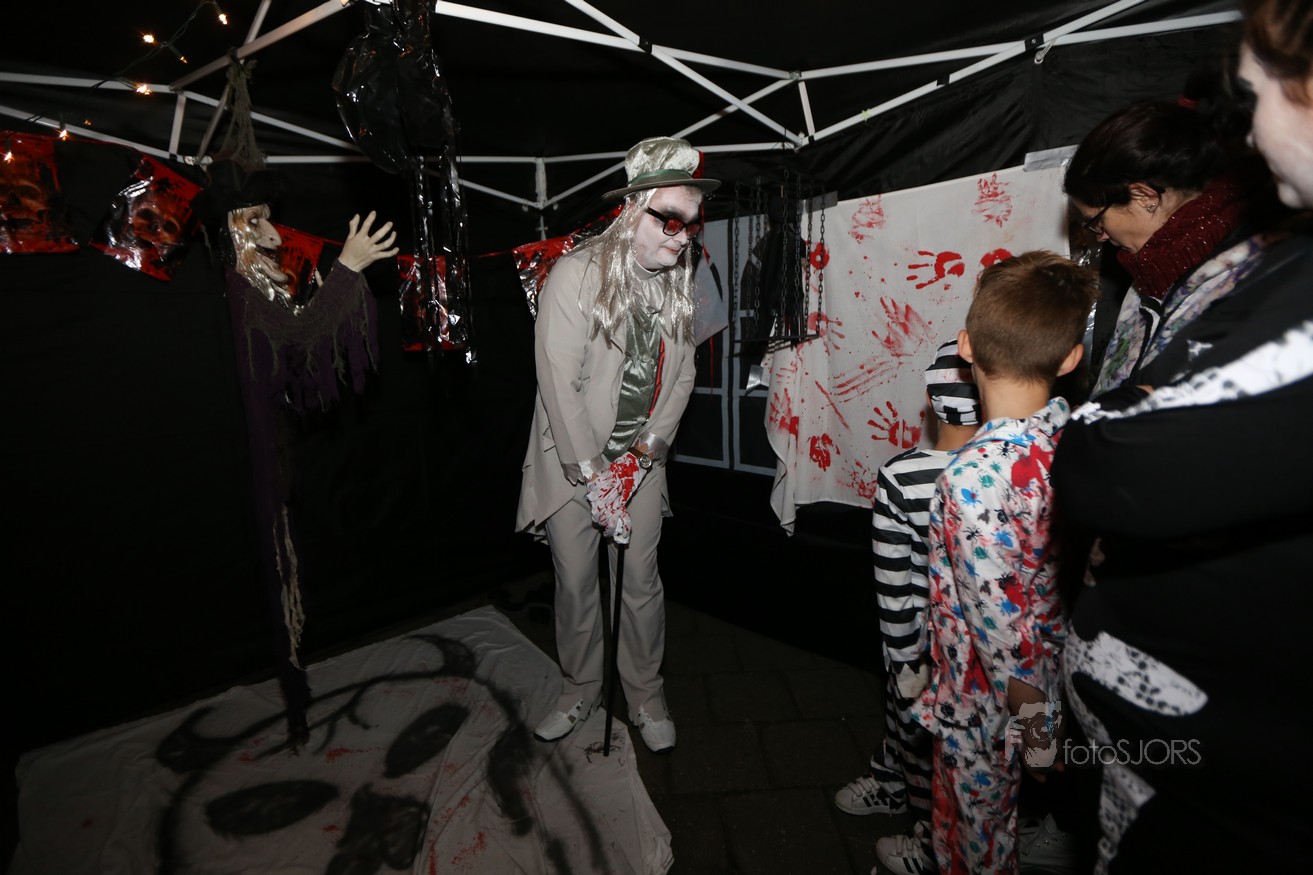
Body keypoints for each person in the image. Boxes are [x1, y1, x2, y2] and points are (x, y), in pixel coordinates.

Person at [1050, 1, 1313, 870]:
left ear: (1145, 195)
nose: (1100, 243)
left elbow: (1117, 456)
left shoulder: (1249, 272)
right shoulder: (1158, 275)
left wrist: (1090, 432)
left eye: (1099, 222)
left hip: (1225, 755)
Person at [515, 136, 717, 753]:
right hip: (571, 463)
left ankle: (646, 696)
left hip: (640, 464)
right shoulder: (574, 276)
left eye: (691, 223)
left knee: (640, 584)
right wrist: (596, 474)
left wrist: (642, 457)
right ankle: (580, 691)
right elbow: (558, 383)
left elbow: (682, 376)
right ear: (633, 209)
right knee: (577, 585)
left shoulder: (679, 282)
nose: (683, 236)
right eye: (671, 220)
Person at [913, 251, 1098, 875]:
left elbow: (1002, 639)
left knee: (975, 846)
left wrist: (1038, 740)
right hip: (1054, 683)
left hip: (988, 707)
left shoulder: (970, 479)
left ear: (966, 346)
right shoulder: (1076, 441)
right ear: (1070, 359)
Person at [830, 341, 981, 874]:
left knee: (936, 755)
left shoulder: (904, 476)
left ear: (934, 401)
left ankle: (934, 843)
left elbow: (894, 586)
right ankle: (897, 785)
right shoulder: (1030, 466)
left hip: (934, 655)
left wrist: (903, 663)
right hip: (1017, 678)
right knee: (1005, 760)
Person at [1064, 74, 1282, 397]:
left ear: (1145, 197)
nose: (1101, 236)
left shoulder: (1246, 285)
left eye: (1097, 221)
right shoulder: (1149, 273)